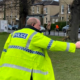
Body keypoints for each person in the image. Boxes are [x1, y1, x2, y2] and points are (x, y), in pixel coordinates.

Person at [0, 17, 80, 80]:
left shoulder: (13, 34)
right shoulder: (35, 35)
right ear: (33, 24)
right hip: (25, 74)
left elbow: (4, 52)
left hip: (8, 72)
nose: (40, 28)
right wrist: (74, 46)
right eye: (39, 25)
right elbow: (53, 45)